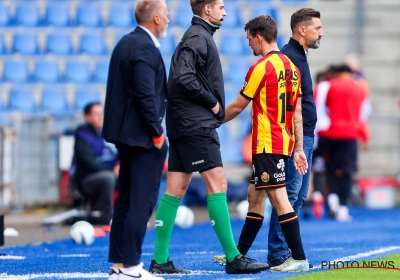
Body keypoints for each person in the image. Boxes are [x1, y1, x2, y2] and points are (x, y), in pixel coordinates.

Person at [149, 0, 269, 275]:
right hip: (196, 125)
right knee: (218, 184)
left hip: (183, 125)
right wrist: (213, 104)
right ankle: (233, 258)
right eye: (221, 7)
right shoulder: (198, 37)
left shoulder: (198, 36)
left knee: (175, 189)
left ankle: (159, 260)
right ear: (207, 10)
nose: (225, 12)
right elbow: (182, 77)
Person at [213, 8, 322, 269]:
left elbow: (239, 106)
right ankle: (237, 253)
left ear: (259, 37)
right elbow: (297, 110)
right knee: (255, 196)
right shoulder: (291, 68)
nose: (248, 43)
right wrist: (297, 146)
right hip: (282, 141)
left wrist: (212, 121)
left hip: (267, 143)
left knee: (280, 199)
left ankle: (298, 257)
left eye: (249, 38)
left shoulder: (261, 68)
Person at [102, 0, 169, 279]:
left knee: (126, 201)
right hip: (142, 138)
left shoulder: (125, 42)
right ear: (155, 18)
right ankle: (130, 265)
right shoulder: (143, 46)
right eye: (165, 15)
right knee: (141, 202)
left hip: (125, 136)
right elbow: (145, 94)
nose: (167, 19)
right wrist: (156, 133)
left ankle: (119, 264)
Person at [315, 64, 369, 221]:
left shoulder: (326, 86)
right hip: (350, 135)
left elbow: (317, 108)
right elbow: (364, 113)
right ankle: (343, 206)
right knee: (346, 171)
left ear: (336, 74)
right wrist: (364, 136)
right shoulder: (360, 88)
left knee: (329, 169)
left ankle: (331, 198)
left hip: (329, 133)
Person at [72, 102, 119, 224]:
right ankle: (105, 214)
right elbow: (90, 164)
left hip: (111, 173)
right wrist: (112, 170)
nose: (100, 116)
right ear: (88, 117)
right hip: (87, 179)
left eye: (101, 113)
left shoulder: (107, 133)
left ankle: (130, 213)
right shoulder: (82, 136)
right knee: (108, 177)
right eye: (96, 113)